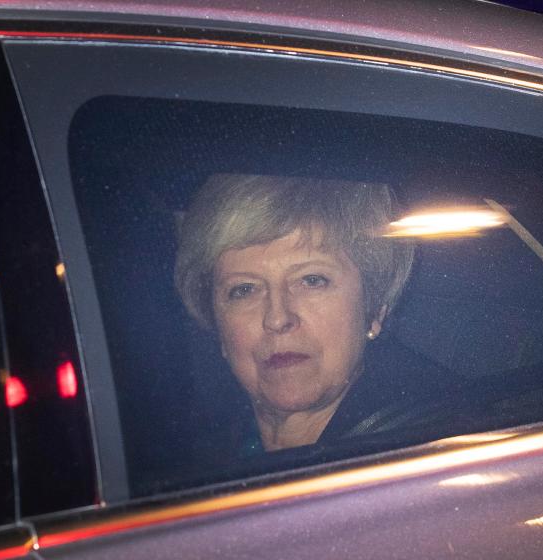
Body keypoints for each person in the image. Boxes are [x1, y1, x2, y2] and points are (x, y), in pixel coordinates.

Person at [175, 173, 459, 453]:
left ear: (373, 309)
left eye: (312, 280)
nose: (277, 319)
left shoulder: (432, 447)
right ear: (217, 322)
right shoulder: (187, 461)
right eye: (244, 290)